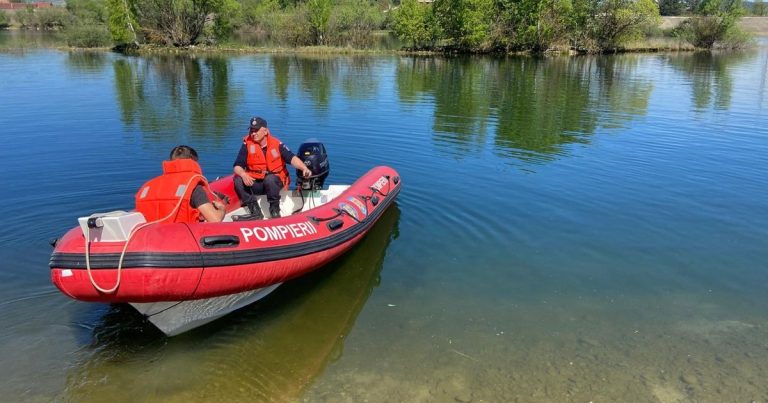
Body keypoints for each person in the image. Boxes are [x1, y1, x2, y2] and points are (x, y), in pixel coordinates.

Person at [233, 117, 312, 219]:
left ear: (265, 131)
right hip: (256, 182)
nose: (253, 133)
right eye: (251, 131)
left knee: (270, 179)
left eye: (256, 130)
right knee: (238, 179)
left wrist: (304, 168)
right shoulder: (246, 145)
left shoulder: (277, 144)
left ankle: (274, 210)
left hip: (275, 183)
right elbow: (237, 166)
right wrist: (243, 174)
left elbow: (291, 158)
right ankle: (255, 212)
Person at [135, 145, 226, 224]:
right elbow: (215, 219)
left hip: (149, 239)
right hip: (182, 239)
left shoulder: (148, 186)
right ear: (194, 162)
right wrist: (222, 208)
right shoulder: (192, 186)